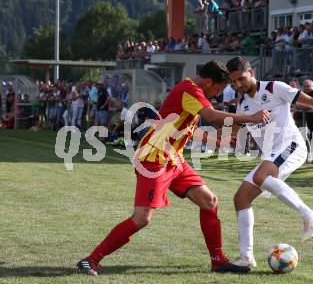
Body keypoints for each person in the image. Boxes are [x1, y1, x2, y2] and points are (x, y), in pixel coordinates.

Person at [76, 60, 271, 276]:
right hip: (154, 159)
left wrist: (217, 142)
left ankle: (217, 261)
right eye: (217, 89)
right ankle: (90, 260)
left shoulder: (192, 92)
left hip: (173, 158)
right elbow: (212, 116)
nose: (216, 94)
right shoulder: (190, 90)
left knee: (209, 201)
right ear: (208, 82)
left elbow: (186, 129)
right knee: (142, 218)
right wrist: (251, 117)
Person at [224, 57, 313, 269]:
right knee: (241, 198)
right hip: (271, 154)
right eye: (234, 82)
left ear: (251, 71)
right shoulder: (243, 104)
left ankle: (309, 214)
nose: (239, 85)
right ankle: (246, 258)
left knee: (261, 177)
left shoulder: (275, 87)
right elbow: (239, 130)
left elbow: (312, 102)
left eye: (241, 78)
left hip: (291, 145)